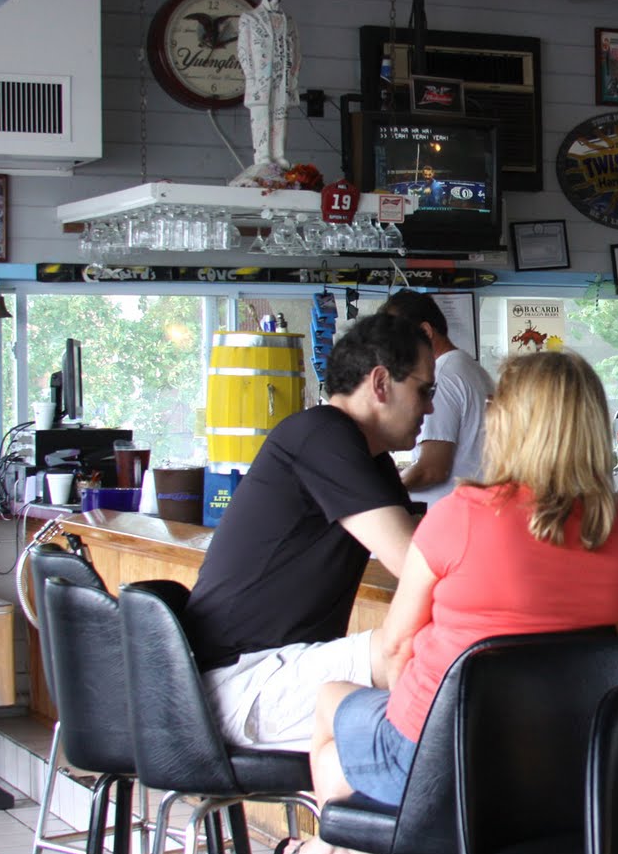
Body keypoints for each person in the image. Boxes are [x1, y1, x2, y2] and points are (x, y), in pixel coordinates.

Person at [294, 351, 618, 852]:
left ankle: (327, 845)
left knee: (330, 705)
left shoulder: (462, 514)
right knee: (347, 756)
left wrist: (407, 712)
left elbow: (395, 646)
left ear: (510, 422)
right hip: (562, 766)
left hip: (445, 753)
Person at [182, 312, 432, 749]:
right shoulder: (321, 434)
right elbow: (413, 560)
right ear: (380, 383)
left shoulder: (366, 456)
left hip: (277, 671)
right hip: (240, 683)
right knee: (412, 647)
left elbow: (433, 542)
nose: (429, 407)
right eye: (423, 390)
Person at [382, 289, 494, 507]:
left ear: (426, 331)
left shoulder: (442, 375)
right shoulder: (469, 367)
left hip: (448, 513)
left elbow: (432, 470)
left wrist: (379, 491)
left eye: (398, 339)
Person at [231, 0, 302, 186]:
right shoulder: (250, 18)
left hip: (282, 75)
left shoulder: (287, 20)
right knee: (262, 115)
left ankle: (278, 153)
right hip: (261, 76)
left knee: (280, 114)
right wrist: (251, 76)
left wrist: (293, 74)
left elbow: (296, 48)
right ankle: (262, 155)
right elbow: (243, 50)